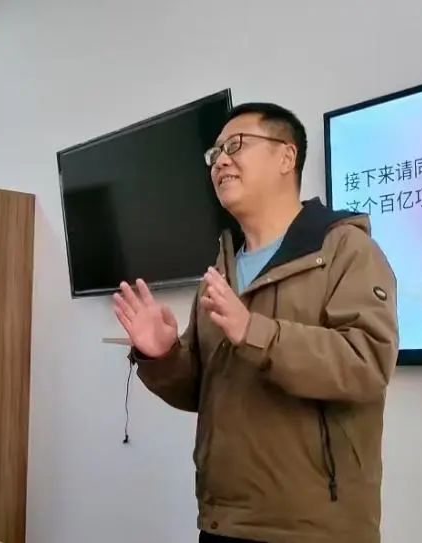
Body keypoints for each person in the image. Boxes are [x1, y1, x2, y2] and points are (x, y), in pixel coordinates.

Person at [113, 103, 399, 543]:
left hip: (313, 530)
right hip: (222, 521)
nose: (220, 161)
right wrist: (163, 355)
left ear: (286, 156)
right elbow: (204, 390)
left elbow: (366, 364)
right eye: (215, 153)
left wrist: (254, 332)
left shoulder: (345, 251)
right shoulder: (221, 271)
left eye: (236, 145)